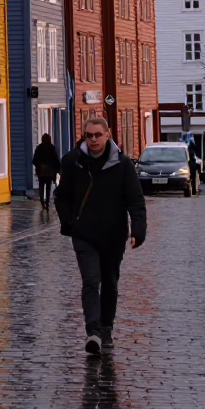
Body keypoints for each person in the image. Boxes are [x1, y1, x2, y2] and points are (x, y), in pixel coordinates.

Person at [54, 114, 146, 358]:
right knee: (91, 281)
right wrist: (68, 222)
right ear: (84, 137)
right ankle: (92, 332)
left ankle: (106, 328)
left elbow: (135, 200)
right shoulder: (73, 161)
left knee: (110, 284)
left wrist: (138, 229)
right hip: (84, 234)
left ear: (107, 135)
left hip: (113, 235)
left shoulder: (122, 164)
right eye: (88, 135)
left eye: (97, 135)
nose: (93, 139)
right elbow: (61, 196)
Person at [32, 133, 60, 210]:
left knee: (41, 186)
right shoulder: (52, 148)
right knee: (48, 187)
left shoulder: (39, 148)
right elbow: (56, 159)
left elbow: (34, 160)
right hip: (50, 171)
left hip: (41, 170)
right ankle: (47, 201)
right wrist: (58, 169)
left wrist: (39, 166)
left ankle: (42, 200)